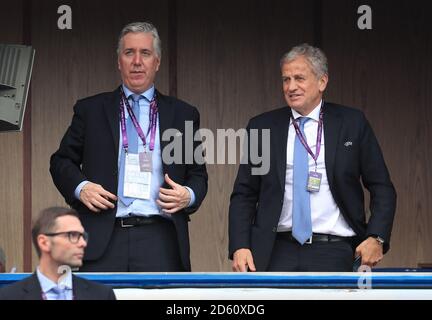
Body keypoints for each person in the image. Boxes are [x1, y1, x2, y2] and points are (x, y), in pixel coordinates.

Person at [50, 22, 207, 272]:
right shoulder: (91, 110)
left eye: (145, 53)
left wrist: (189, 195)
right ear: (119, 61)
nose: (137, 61)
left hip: (161, 239)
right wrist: (81, 188)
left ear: (156, 62)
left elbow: (198, 175)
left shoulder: (182, 114)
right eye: (128, 53)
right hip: (103, 236)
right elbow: (61, 162)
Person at [229, 43, 396, 272]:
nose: (291, 86)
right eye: (286, 79)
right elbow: (244, 194)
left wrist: (377, 237)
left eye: (299, 78)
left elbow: (382, 187)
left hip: (335, 250)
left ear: (322, 82)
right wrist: (240, 245)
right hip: (276, 252)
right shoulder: (262, 127)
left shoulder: (351, 123)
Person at [0, 207, 116, 300]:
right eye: (73, 235)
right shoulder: (9, 296)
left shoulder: (102, 295)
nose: (83, 243)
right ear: (44, 242)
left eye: (83, 236)